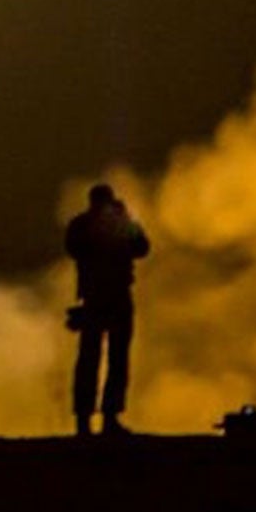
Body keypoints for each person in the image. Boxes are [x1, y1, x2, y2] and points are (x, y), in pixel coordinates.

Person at [65, 182, 150, 436]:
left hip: (99, 297)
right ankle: (102, 418)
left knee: (98, 359)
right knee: (108, 358)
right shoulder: (88, 225)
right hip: (108, 296)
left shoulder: (81, 224)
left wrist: (125, 222)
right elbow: (141, 247)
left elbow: (142, 248)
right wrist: (124, 222)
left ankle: (90, 420)